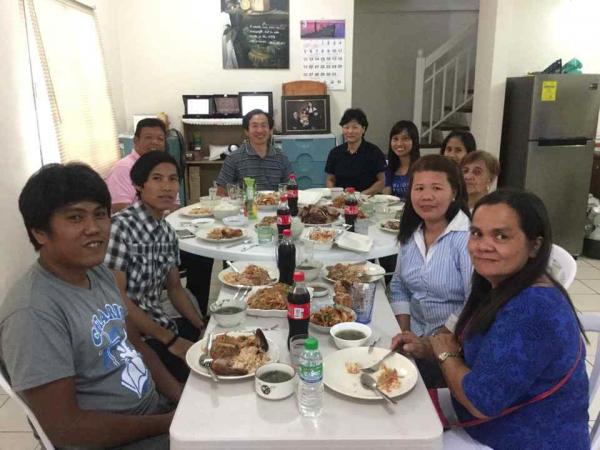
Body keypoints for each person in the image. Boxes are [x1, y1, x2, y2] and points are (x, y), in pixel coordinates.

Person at [0, 163, 182, 450]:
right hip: (115, 440)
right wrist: (168, 423)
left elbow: (137, 346)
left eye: (100, 214)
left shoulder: (97, 272)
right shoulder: (33, 313)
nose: (94, 229)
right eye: (75, 217)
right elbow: (66, 430)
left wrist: (182, 401)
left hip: (153, 413)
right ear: (40, 232)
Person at [392, 189, 590, 450]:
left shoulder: (534, 308)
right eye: (477, 233)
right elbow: (484, 354)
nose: (483, 246)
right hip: (489, 420)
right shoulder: (497, 283)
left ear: (535, 246)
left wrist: (445, 355)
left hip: (523, 439)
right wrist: (427, 348)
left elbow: (481, 401)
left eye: (501, 236)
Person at [105, 151, 206, 383]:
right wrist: (171, 341)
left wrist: (201, 325)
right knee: (199, 378)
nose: (167, 187)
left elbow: (175, 289)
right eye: (157, 178)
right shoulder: (120, 228)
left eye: (173, 179)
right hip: (130, 337)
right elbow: (117, 299)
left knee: (219, 340)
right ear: (139, 185)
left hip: (158, 323)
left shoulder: (167, 232)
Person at [106, 117, 214, 316]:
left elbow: (175, 207)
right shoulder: (124, 169)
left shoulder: (166, 167)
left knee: (202, 256)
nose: (154, 142)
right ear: (136, 140)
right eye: (148, 137)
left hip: (159, 230)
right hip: (137, 239)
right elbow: (119, 207)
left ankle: (199, 314)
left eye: (160, 138)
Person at [389, 154, 472, 386]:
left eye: (436, 188)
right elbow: (399, 286)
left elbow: (474, 301)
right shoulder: (411, 233)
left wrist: (431, 343)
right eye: (419, 188)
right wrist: (406, 336)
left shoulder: (468, 238)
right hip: (414, 338)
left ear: (454, 192)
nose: (426, 196)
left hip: (455, 349)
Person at [216, 109, 293, 193]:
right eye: (254, 126)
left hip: (275, 201)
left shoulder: (282, 158)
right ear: (246, 131)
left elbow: (290, 190)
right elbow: (221, 192)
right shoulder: (233, 158)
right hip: (244, 202)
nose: (259, 130)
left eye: (263, 125)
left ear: (270, 130)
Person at [325, 108, 387, 194]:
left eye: (355, 127)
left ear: (363, 129)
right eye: (346, 127)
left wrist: (362, 195)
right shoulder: (335, 153)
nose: (350, 131)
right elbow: (330, 179)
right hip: (341, 199)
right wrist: (336, 194)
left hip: (366, 199)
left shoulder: (374, 152)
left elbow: (382, 182)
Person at [383, 120, 421, 200]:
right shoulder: (390, 169)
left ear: (414, 141)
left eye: (405, 138)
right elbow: (387, 197)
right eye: (395, 139)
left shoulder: (421, 168)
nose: (399, 143)